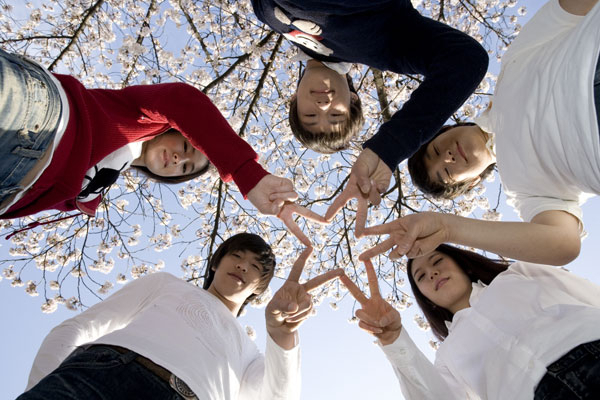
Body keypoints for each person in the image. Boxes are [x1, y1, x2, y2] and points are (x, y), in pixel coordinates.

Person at [396, 0, 600, 264]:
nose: (446, 157)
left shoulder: (511, 66)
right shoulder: (523, 192)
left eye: (436, 149)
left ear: (446, 129)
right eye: (446, 172)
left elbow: (571, 8)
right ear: (471, 183)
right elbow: (564, 244)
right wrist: (448, 228)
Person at [18, 233, 341, 399]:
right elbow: (77, 327)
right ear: (216, 263)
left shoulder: (249, 350)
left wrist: (282, 335)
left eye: (256, 267)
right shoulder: (165, 284)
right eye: (237, 256)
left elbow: (276, 395)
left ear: (259, 289)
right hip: (104, 374)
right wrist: (42, 386)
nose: (243, 266)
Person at [250, 0, 489, 216]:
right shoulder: (381, 46)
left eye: (310, 115)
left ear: (293, 99)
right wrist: (389, 147)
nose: (323, 105)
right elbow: (464, 60)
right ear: (354, 100)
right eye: (335, 115)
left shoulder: (266, 15)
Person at [0, 48, 297, 222]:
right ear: (172, 129)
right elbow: (180, 99)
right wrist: (248, 174)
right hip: (39, 116)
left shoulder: (110, 176)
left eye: (185, 168)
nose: (179, 159)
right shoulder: (140, 117)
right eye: (185, 145)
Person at [342, 246, 600, 399]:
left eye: (437, 261)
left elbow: (588, 295)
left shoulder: (518, 274)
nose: (432, 272)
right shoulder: (446, 356)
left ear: (461, 263)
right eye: (421, 276)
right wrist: (394, 339)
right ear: (426, 298)